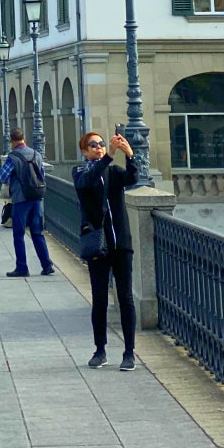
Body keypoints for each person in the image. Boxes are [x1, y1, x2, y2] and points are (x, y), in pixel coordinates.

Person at [73, 130, 138, 371]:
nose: (99, 147)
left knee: (125, 297)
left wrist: (130, 155)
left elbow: (133, 178)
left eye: (101, 144)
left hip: (120, 242)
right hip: (97, 244)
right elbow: (88, 181)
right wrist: (109, 156)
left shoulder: (113, 171)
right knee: (99, 299)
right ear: (84, 151)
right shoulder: (80, 172)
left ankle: (129, 352)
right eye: (93, 145)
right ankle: (100, 350)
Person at [0, 127, 55, 277]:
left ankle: (22, 267)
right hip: (36, 197)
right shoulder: (37, 154)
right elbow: (42, 174)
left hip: (20, 199)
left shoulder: (13, 156)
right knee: (37, 232)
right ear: (24, 139)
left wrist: (11, 180)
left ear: (12, 141)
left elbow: (3, 176)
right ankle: (47, 264)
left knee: (19, 234)